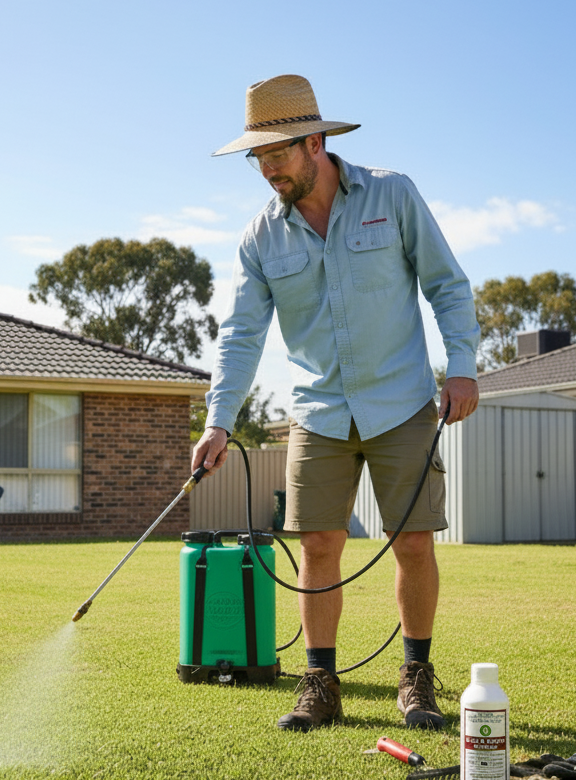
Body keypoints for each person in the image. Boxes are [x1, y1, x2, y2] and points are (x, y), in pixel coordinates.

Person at [191, 74, 480, 732]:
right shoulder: (260, 238)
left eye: (278, 154)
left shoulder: (392, 195)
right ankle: (320, 682)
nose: (266, 169)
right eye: (257, 158)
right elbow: (239, 335)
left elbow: (447, 286)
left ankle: (416, 677)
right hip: (317, 411)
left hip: (402, 402)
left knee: (412, 542)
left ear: (315, 142)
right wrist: (218, 420)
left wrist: (460, 368)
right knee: (319, 545)